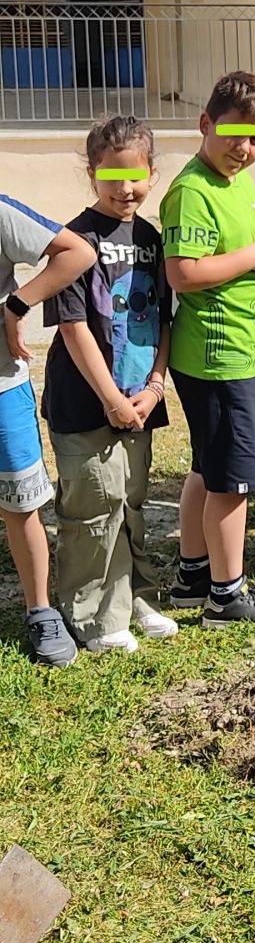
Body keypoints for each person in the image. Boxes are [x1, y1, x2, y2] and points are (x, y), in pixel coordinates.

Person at [41, 113, 176, 653]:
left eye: (136, 175)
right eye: (112, 175)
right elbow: (74, 327)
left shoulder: (151, 237)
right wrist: (112, 400)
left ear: (151, 173)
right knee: (93, 505)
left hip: (140, 396)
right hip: (88, 401)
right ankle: (93, 613)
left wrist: (155, 385)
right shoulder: (74, 239)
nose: (126, 188)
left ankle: (135, 594)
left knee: (132, 499)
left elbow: (166, 317)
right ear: (92, 172)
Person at [160, 69, 255, 626]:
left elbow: (227, 248)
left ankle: (192, 577)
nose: (245, 147)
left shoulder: (238, 186)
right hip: (217, 354)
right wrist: (253, 259)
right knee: (233, 480)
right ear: (205, 123)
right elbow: (183, 272)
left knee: (208, 470)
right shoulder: (191, 191)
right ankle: (226, 595)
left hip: (237, 349)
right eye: (234, 133)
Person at [0, 194, 95, 665]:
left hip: (3, 387)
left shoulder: (0, 211)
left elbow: (77, 252)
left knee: (22, 504)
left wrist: (17, 305)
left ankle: (40, 609)